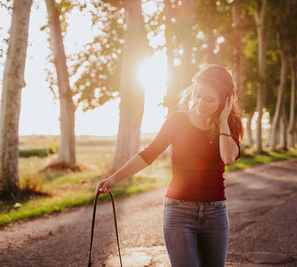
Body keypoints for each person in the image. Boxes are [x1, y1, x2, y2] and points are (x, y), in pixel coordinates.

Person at [96, 64, 243, 267]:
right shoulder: (177, 120)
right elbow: (148, 155)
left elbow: (228, 157)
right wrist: (114, 178)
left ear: (225, 100)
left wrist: (224, 121)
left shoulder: (231, 124)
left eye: (209, 99)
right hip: (179, 213)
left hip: (215, 213)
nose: (201, 103)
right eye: (198, 95)